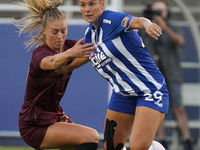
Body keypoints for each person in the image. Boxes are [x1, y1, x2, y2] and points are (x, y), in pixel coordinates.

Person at [63, 0, 169, 150]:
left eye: (91, 4)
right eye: (82, 5)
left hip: (149, 90)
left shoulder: (111, 19)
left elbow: (137, 21)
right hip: (123, 94)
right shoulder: (90, 33)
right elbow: (87, 55)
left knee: (138, 146)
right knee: (112, 147)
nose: (87, 9)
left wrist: (148, 25)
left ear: (102, 4)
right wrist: (64, 69)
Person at [15, 0, 99, 150]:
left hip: (54, 116)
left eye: (64, 31)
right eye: (55, 32)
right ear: (44, 31)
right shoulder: (40, 54)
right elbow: (53, 62)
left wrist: (69, 67)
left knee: (84, 142)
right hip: (34, 124)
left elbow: (92, 51)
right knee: (91, 137)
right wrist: (71, 53)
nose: (60, 36)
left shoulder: (68, 46)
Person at [139, 1, 193, 150]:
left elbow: (180, 41)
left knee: (178, 108)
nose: (158, 14)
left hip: (172, 73)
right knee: (157, 108)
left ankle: (187, 139)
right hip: (155, 75)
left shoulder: (174, 27)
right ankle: (162, 140)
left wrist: (165, 27)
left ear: (167, 12)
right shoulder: (146, 30)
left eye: (161, 11)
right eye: (156, 11)